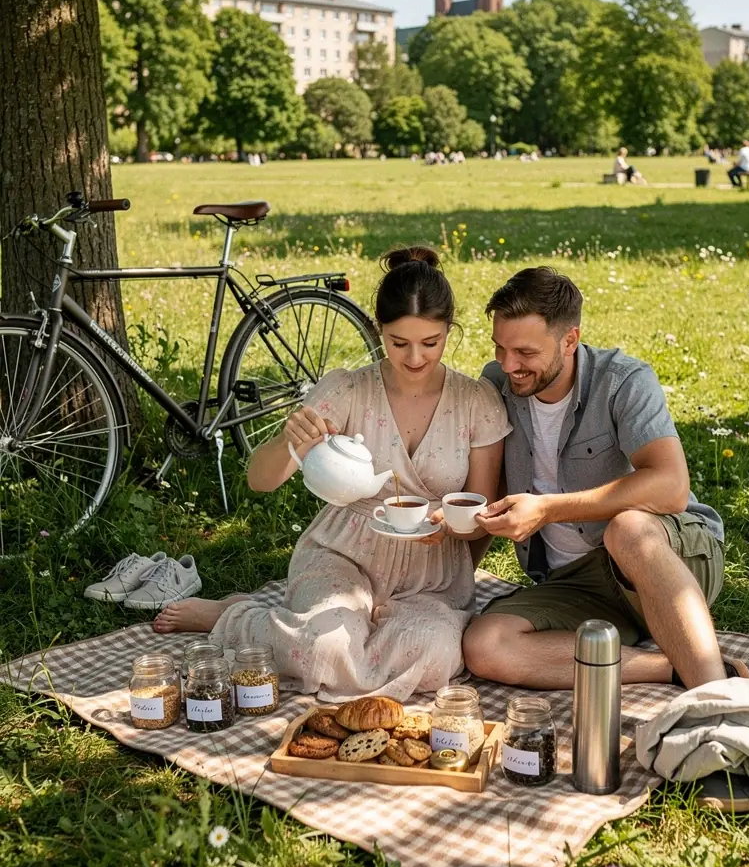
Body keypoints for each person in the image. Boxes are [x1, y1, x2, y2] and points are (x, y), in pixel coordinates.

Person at [154, 247, 511, 702]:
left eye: (431, 342)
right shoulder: (346, 389)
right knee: (323, 645)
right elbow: (259, 480)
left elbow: (476, 510)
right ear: (380, 330)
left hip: (433, 573)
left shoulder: (476, 402)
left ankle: (291, 631)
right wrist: (289, 441)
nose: (416, 358)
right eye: (399, 343)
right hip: (344, 553)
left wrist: (451, 544)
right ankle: (240, 615)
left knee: (435, 653)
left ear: (449, 332)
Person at [462, 265, 749, 694]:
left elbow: (671, 487)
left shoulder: (623, 381)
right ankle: (667, 667)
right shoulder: (497, 386)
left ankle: (720, 699)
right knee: (484, 646)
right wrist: (453, 578)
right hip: (576, 583)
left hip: (665, 559)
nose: (508, 364)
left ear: (570, 340)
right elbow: (488, 497)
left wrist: (547, 510)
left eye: (524, 352)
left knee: (628, 528)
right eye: (500, 348)